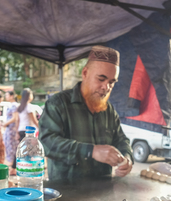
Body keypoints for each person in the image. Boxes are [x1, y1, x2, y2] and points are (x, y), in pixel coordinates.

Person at [39, 45, 133, 180]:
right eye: (101, 79)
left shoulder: (109, 110)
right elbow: (46, 143)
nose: (106, 87)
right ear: (85, 73)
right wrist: (91, 151)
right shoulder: (58, 104)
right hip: (67, 192)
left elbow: (121, 139)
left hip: (102, 192)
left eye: (111, 82)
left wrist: (127, 156)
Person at [11, 88, 40, 170]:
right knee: (30, 150)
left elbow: (18, 121)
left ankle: (15, 167)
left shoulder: (20, 107)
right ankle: (26, 167)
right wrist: (40, 128)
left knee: (21, 149)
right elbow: (34, 120)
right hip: (29, 131)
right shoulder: (29, 107)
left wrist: (17, 132)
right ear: (29, 96)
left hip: (21, 130)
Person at [2, 91, 19, 172]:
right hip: (9, 128)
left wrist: (5, 124)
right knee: (9, 146)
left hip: (12, 129)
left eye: (7, 95)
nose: (6, 96)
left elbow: (15, 118)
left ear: (12, 96)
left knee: (12, 146)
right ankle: (11, 164)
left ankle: (13, 166)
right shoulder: (11, 105)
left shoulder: (15, 105)